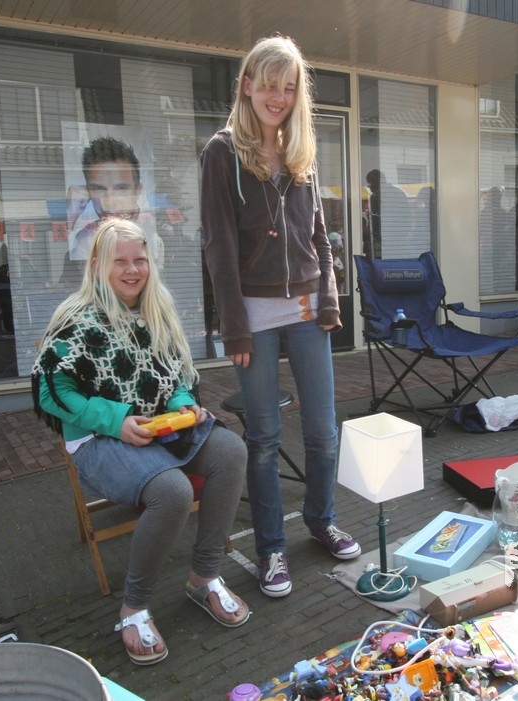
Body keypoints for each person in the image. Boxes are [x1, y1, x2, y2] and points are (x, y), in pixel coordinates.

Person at [32, 219, 249, 666]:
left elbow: (175, 375)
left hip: (157, 427)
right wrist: (116, 421)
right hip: (98, 437)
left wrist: (185, 405)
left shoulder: (156, 309)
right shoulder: (75, 319)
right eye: (121, 262)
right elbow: (51, 393)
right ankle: (133, 608)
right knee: (172, 490)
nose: (132, 271)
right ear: (98, 264)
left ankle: (204, 577)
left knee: (231, 451)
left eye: (140, 260)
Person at [200, 35, 360, 598]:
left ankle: (321, 519)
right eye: (269, 84)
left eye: (289, 88)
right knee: (264, 437)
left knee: (323, 432)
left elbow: (320, 235)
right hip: (254, 319)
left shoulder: (300, 151)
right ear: (247, 85)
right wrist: (233, 326)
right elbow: (218, 246)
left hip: (307, 309)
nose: (278, 97)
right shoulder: (221, 152)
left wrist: (330, 297)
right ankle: (271, 548)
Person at [68, 135, 162, 266]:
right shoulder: (84, 239)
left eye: (121, 188)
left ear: (137, 191)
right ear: (88, 193)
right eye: (98, 189)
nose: (110, 202)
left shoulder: (152, 234)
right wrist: (70, 221)